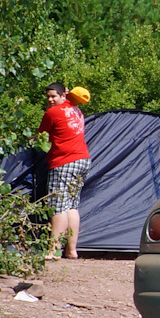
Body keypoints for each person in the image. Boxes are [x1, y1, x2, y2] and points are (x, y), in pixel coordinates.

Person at [37, 82, 91, 259]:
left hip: (64, 161)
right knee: (72, 206)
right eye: (48, 96)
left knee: (58, 206)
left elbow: (40, 136)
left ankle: (54, 250)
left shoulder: (52, 113)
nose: (50, 100)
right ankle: (71, 250)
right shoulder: (77, 110)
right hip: (83, 159)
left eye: (54, 96)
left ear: (63, 95)